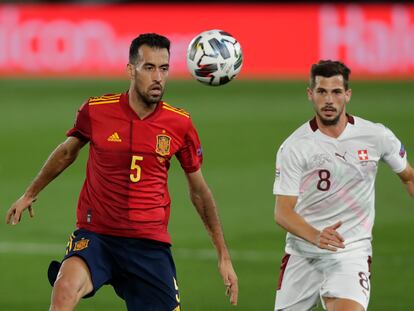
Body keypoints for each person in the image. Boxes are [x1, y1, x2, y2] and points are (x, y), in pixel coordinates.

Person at [5, 33, 238, 311]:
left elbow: (199, 192)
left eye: (164, 69)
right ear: (131, 70)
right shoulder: (96, 110)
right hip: (97, 235)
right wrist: (30, 193)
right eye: (149, 68)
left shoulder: (179, 124)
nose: (158, 78)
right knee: (65, 287)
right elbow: (68, 152)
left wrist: (223, 255)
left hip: (149, 246)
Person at [272, 60, 414, 311]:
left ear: (347, 95)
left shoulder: (376, 136)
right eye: (321, 91)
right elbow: (283, 211)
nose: (329, 100)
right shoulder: (295, 146)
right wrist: (316, 236)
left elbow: (409, 177)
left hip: (351, 252)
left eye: (336, 92)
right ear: (310, 94)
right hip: (302, 253)